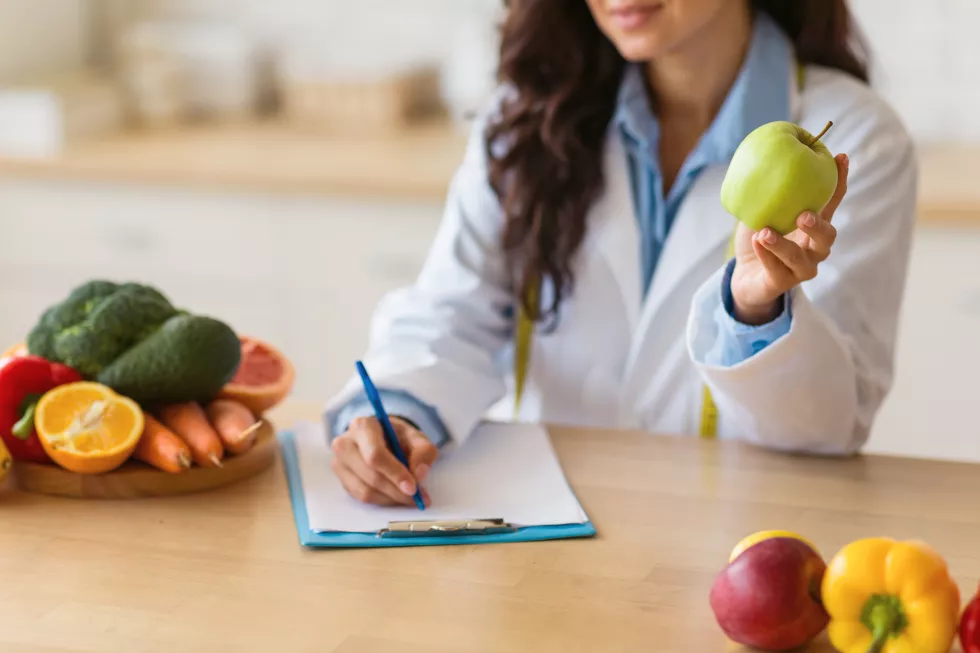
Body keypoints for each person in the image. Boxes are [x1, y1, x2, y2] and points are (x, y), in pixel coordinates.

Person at [323, 0, 917, 507]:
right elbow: (452, 312)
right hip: (544, 538)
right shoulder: (527, 115)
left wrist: (752, 309)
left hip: (734, 547)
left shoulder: (858, 142)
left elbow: (830, 427)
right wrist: (399, 414)